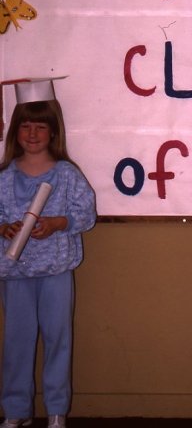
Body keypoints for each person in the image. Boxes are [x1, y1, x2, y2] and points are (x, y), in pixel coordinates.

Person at [0, 78, 97, 428]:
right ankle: (15, 411)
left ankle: (56, 410)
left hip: (56, 271)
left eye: (41, 126)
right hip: (15, 274)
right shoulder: (4, 177)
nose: (32, 133)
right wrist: (4, 228)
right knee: (16, 343)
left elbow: (85, 215)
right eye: (25, 125)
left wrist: (58, 222)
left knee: (59, 340)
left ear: (54, 132)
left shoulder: (67, 175)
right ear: (15, 131)